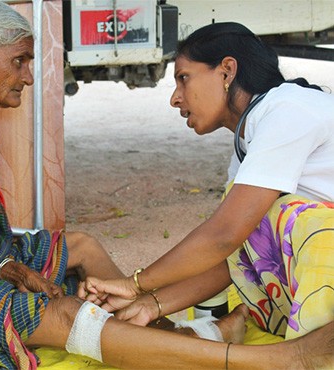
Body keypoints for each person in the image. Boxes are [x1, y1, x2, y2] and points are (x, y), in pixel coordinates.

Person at [0, 3, 332, 367]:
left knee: (83, 252)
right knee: (64, 314)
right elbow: (229, 248)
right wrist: (144, 295)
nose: (29, 76)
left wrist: (142, 294)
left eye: (184, 79)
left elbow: (226, 243)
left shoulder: (282, 115)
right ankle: (259, 360)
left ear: (228, 72)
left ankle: (169, 344)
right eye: (19, 61)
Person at [79, 19, 334, 358]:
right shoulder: (252, 136)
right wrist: (151, 305)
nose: (175, 98)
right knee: (257, 219)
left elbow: (223, 236)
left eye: (183, 78)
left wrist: (135, 283)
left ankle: (309, 355)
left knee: (294, 219)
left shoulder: (287, 110)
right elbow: (233, 254)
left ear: (227, 71)